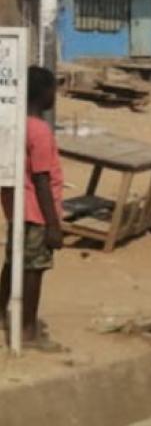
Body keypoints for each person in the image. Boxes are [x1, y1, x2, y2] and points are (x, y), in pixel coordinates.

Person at [1, 66, 65, 351]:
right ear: (45, 93)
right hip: (37, 212)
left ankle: (3, 315)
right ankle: (27, 329)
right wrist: (53, 224)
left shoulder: (16, 124)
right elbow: (41, 179)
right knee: (34, 270)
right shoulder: (39, 131)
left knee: (13, 264)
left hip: (16, 208)